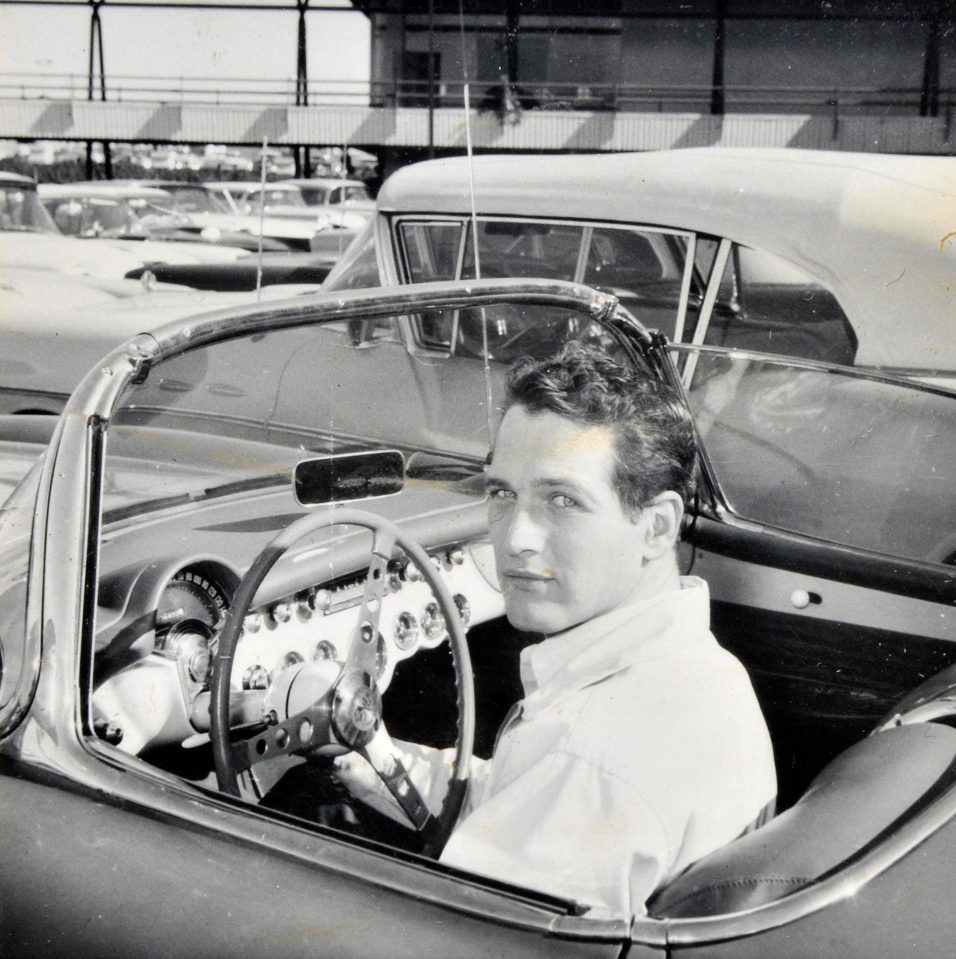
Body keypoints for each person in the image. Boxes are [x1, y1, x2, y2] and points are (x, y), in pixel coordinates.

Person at [336, 341, 776, 918]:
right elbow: (516, 801)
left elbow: (455, 933)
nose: (516, 537)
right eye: (502, 493)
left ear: (657, 526)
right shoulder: (702, 669)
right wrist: (368, 753)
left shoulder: (593, 760)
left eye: (562, 500)